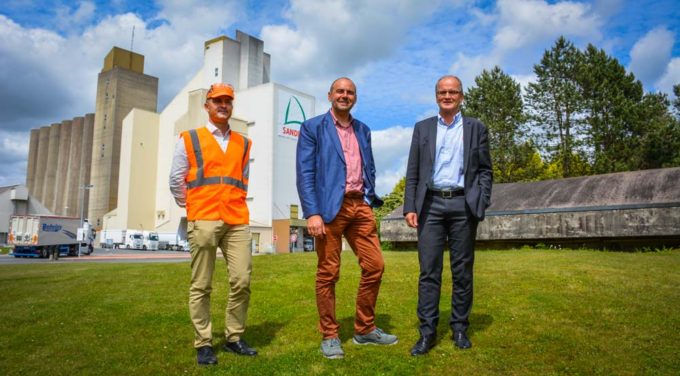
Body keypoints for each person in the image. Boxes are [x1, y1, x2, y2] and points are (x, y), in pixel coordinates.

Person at [296, 77, 397, 359]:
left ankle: (364, 329)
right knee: (328, 273)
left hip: (360, 206)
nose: (344, 95)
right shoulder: (313, 127)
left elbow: (369, 165)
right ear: (329, 95)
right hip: (328, 210)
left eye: (350, 92)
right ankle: (330, 336)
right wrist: (312, 212)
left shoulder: (363, 129)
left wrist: (369, 195)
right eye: (340, 91)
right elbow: (305, 173)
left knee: (375, 265)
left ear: (355, 97)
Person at [403, 75, 493, 355]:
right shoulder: (423, 128)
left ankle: (459, 328)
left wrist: (481, 199)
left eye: (453, 92)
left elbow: (486, 170)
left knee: (462, 272)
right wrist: (409, 206)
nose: (447, 96)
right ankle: (427, 333)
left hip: (462, 205)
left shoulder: (476, 128)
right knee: (429, 272)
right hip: (430, 206)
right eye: (442, 92)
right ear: (436, 96)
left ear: (461, 96)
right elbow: (413, 171)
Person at [169, 83, 257, 366]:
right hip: (203, 217)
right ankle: (204, 343)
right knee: (201, 285)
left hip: (237, 219)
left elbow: (243, 179)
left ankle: (234, 337)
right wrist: (190, 204)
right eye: (217, 100)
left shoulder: (243, 143)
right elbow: (176, 178)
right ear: (206, 105)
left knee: (241, 280)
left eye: (227, 101)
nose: (223, 105)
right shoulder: (189, 138)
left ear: (231, 106)